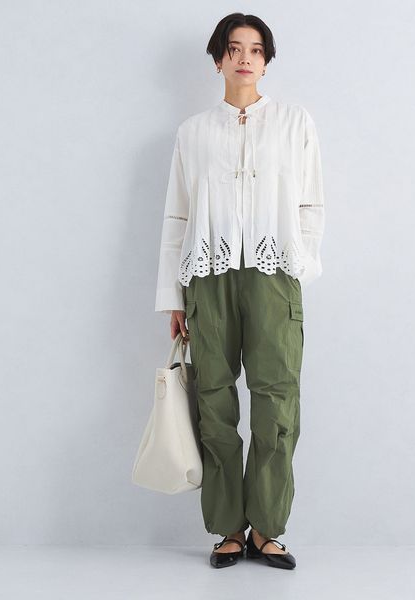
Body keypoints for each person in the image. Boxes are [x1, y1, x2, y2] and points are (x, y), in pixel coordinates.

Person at [155, 12, 325, 569]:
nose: (245, 58)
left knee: (277, 400)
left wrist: (297, 267)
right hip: (208, 275)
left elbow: (311, 205)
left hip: (275, 276)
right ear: (218, 60)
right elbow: (177, 218)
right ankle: (229, 527)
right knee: (214, 401)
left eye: (255, 49)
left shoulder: (295, 123)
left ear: (266, 61)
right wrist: (174, 298)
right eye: (234, 49)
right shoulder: (193, 132)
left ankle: (267, 529)